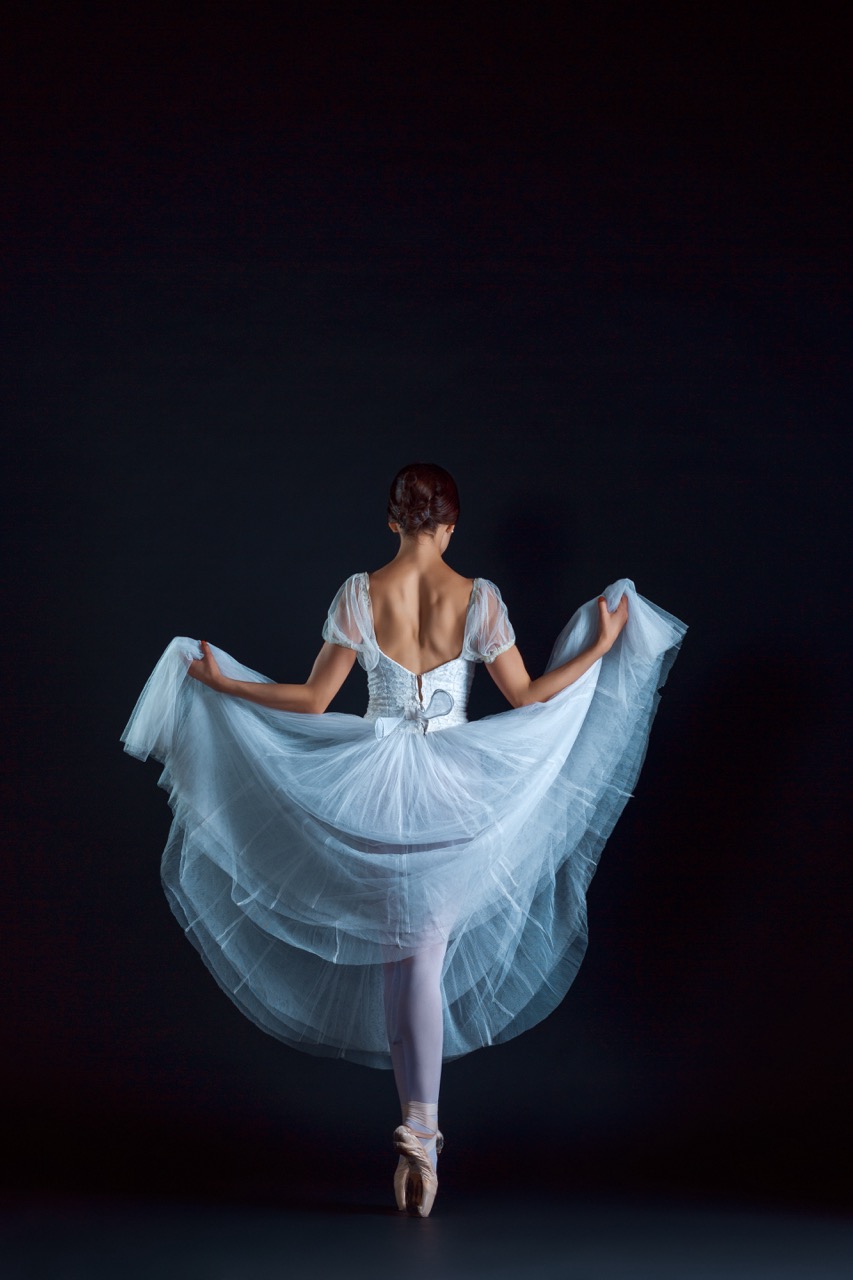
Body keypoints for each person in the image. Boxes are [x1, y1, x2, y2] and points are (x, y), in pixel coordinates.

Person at [122, 462, 686, 1216]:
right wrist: (598, 649)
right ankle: (421, 1135)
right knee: (420, 952)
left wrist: (225, 686)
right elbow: (526, 696)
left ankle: (419, 1134)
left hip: (371, 785)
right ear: (451, 524)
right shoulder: (478, 598)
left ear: (392, 522)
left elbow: (314, 700)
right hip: (457, 787)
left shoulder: (360, 593)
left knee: (405, 955)